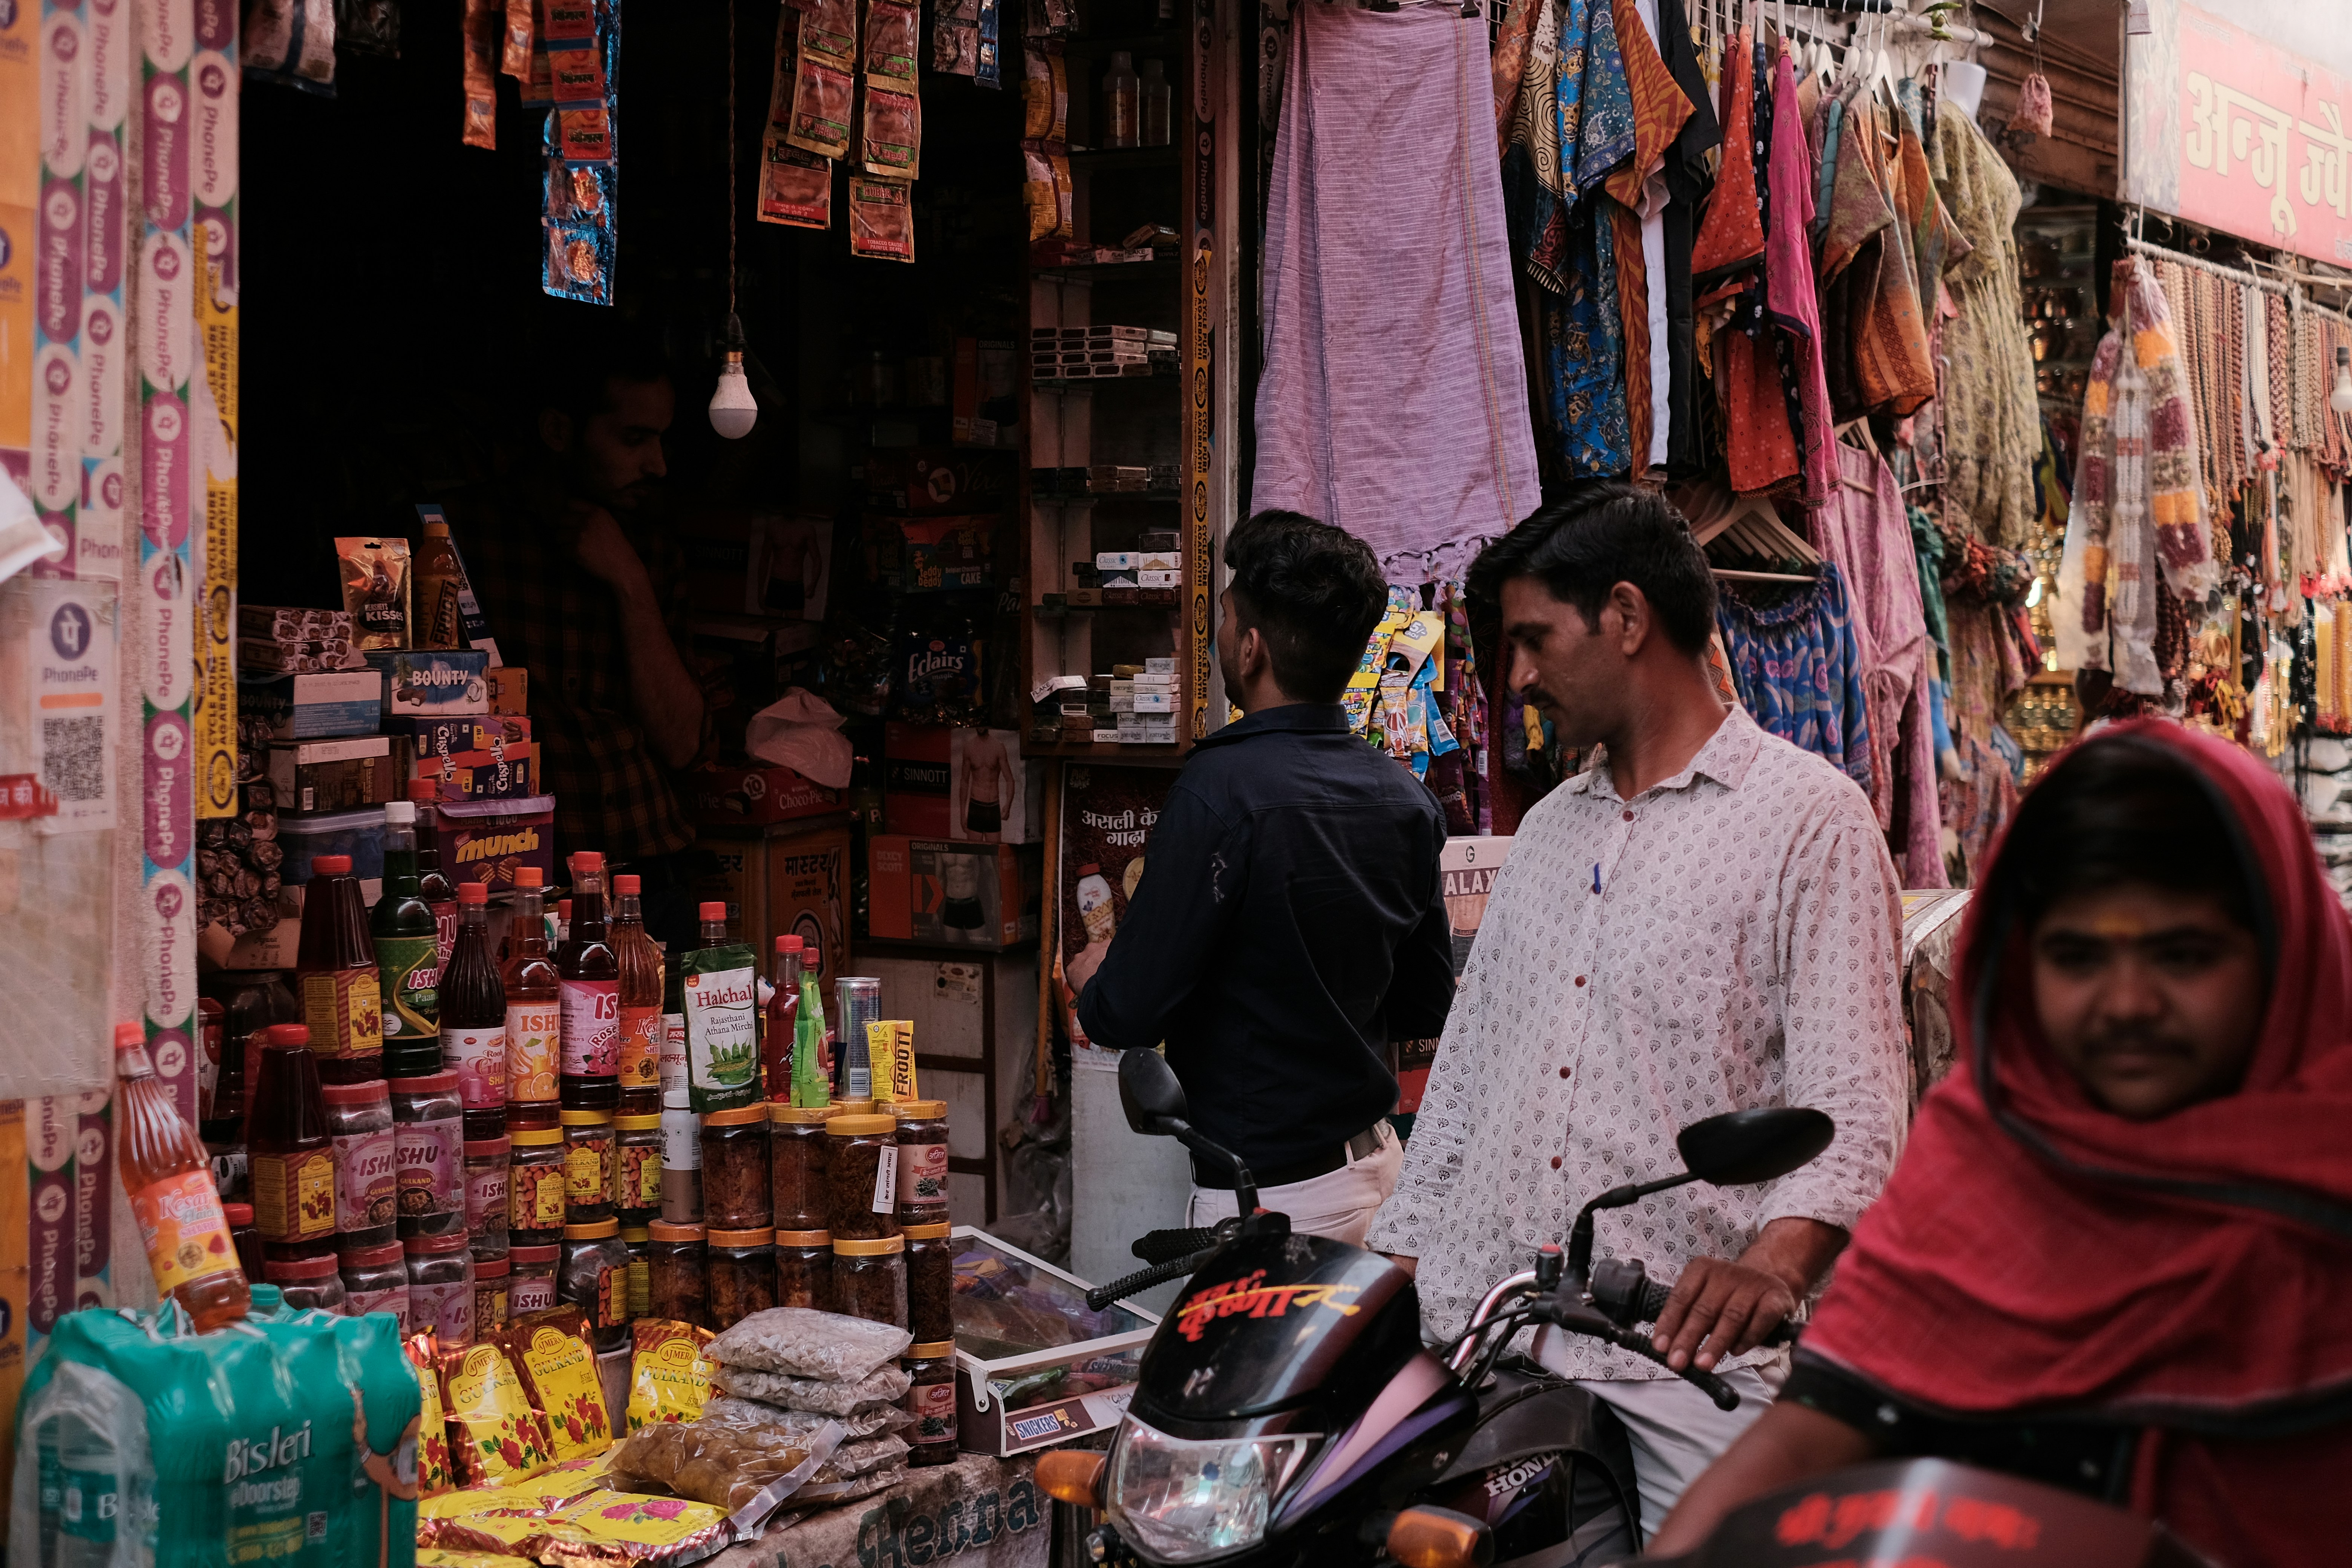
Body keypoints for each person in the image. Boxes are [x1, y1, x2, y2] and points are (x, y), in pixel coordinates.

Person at [1652, 723, 2352, 1567]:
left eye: (2184, 955)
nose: (2128, 1003)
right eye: (2077, 957)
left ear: (2281, 953)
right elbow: (1811, 1434)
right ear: (2020, 967)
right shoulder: (1979, 1166)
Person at [1365, 484, 1911, 1529]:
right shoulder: (1546, 833)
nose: (1518, 679)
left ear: (1625, 617)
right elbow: (1467, 1087)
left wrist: (1772, 1266)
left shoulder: (1811, 822)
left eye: (1534, 640)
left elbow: (1852, 1108)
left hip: (1674, 1366)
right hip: (1482, 1345)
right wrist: (1390, 1285)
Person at [1066, 510, 1454, 1246]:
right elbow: (1424, 1002)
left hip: (1272, 1204)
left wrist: (1096, 978)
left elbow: (1127, 1013)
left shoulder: (1219, 792)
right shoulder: (1404, 798)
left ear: (1250, 649)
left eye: (1223, 619)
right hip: (1380, 1174)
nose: (1218, 637)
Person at [453, 320, 710, 949]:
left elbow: (684, 743)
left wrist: (630, 583)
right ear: (559, 432)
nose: (658, 464)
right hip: (514, 882)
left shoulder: (652, 551)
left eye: (661, 439)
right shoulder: (466, 543)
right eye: (633, 439)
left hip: (646, 870)